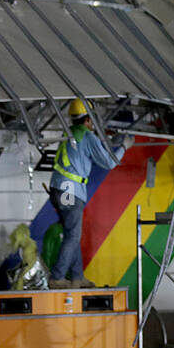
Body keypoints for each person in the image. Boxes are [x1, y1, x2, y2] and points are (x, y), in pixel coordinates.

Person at [49, 98, 124, 287]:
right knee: (73, 235)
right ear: (88, 119)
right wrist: (124, 147)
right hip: (70, 189)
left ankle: (77, 277)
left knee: (71, 233)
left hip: (59, 187)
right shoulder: (88, 136)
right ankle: (57, 277)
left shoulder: (68, 134)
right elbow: (109, 162)